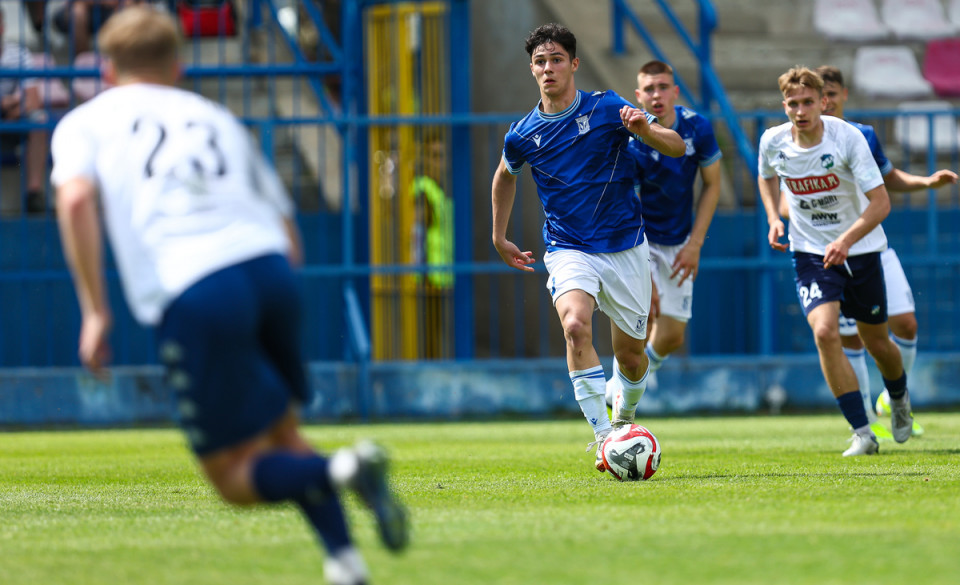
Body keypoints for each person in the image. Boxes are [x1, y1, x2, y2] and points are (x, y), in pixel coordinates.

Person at [50, 7, 408, 585]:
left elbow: (73, 201)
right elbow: (285, 226)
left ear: (107, 69)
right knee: (283, 435)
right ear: (178, 64)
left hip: (197, 286)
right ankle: (346, 565)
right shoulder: (214, 116)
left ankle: (343, 469)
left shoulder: (86, 122)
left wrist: (95, 312)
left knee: (232, 478)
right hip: (269, 270)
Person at [491, 22, 684, 472]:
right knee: (575, 325)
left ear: (574, 64)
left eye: (556, 59)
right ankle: (603, 438)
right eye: (540, 61)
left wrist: (645, 130)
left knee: (631, 357)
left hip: (625, 247)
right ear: (531, 69)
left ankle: (625, 419)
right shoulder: (522, 134)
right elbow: (504, 176)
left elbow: (675, 147)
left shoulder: (607, 107)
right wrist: (499, 236)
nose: (548, 68)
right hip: (568, 247)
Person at [777, 65, 958, 441]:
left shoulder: (861, 135)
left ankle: (894, 398)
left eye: (828, 94)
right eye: (808, 99)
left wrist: (924, 182)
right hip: (824, 253)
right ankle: (864, 423)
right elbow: (784, 199)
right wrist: (800, 216)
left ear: (839, 96)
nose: (823, 102)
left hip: (870, 247)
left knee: (904, 324)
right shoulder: (790, 143)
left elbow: (887, 181)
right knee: (842, 336)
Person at [758, 66, 914, 456]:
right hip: (811, 253)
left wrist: (845, 241)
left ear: (823, 101)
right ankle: (862, 432)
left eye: (808, 102)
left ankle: (898, 398)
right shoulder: (773, 141)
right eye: (793, 104)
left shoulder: (847, 138)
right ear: (784, 105)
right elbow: (766, 176)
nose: (800, 111)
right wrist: (774, 218)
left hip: (859, 251)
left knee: (877, 342)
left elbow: (881, 203)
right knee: (825, 332)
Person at [604, 60, 722, 404]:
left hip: (679, 240)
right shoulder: (630, 140)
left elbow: (713, 184)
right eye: (649, 89)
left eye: (663, 87)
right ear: (638, 96)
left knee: (671, 337)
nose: (656, 95)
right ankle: (619, 395)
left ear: (675, 92)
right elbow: (631, 203)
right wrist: (644, 268)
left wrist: (695, 244)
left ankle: (635, 376)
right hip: (636, 238)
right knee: (642, 319)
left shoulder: (697, 127)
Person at [0, 8, 52, 214]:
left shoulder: (20, 54)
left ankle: (33, 194)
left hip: (14, 117)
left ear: (2, 27)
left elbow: (33, 101)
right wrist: (9, 102)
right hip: (10, 112)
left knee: (40, 120)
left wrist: (11, 109)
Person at [411, 131, 453, 358]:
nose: (439, 162)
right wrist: (420, 269)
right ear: (425, 159)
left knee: (438, 339)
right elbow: (416, 234)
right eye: (434, 156)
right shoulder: (423, 189)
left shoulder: (441, 189)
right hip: (428, 276)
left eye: (442, 156)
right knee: (429, 343)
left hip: (444, 274)